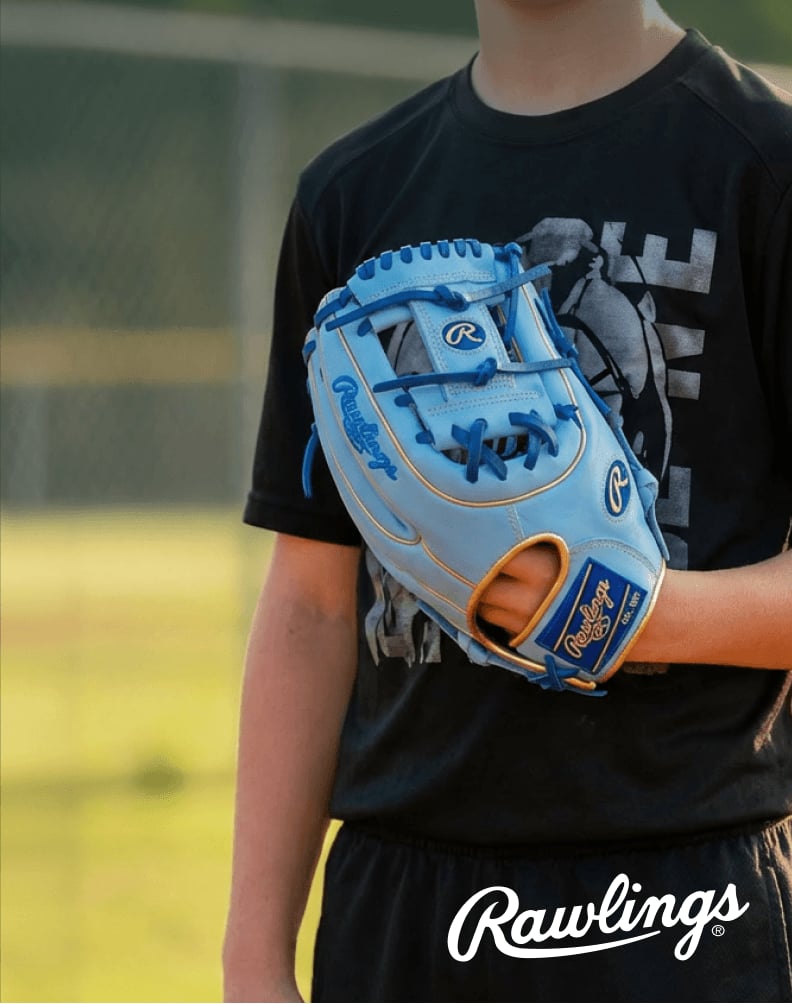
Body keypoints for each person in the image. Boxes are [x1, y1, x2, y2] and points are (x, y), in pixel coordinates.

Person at [222, 1, 792, 1000]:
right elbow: (311, 601)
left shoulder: (764, 166)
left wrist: (630, 614)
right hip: (402, 900)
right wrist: (253, 954)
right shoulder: (354, 194)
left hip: (690, 901)